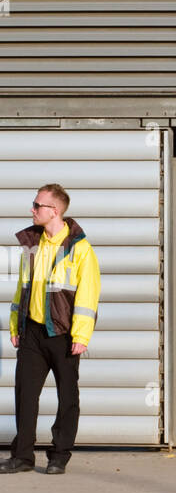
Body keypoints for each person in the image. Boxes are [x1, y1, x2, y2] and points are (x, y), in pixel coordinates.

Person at [1, 183, 100, 475]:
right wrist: (15, 325)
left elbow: (87, 295)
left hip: (64, 334)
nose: (32, 209)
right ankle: (22, 456)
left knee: (67, 396)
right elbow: (23, 289)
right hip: (32, 332)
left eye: (37, 205)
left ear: (54, 210)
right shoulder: (33, 243)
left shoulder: (80, 249)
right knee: (25, 394)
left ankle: (59, 455)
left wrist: (81, 336)